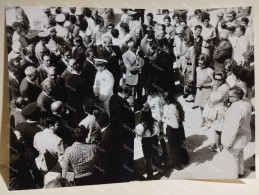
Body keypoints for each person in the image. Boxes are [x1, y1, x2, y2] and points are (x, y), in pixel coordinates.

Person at [221, 86, 252, 178]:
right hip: (245, 137)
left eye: (230, 96)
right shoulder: (247, 104)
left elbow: (233, 128)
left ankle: (232, 178)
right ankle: (240, 172)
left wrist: (229, 143)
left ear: (236, 98)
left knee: (231, 159)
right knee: (240, 154)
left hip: (235, 139)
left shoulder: (235, 109)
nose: (228, 97)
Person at [202, 71, 230, 151]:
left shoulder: (225, 87)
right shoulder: (218, 85)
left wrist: (210, 97)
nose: (217, 81)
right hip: (216, 109)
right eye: (215, 79)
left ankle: (217, 147)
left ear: (223, 79)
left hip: (220, 111)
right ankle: (218, 143)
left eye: (219, 79)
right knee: (217, 128)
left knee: (217, 129)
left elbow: (216, 99)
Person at [95, 112, 125, 183]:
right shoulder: (112, 127)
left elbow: (103, 155)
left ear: (99, 124)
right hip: (118, 158)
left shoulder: (105, 138)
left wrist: (97, 146)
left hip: (110, 164)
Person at [162, 92, 189, 169]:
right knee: (180, 145)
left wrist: (165, 120)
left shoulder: (171, 109)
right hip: (179, 129)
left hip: (173, 131)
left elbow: (175, 125)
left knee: (174, 148)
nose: (162, 101)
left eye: (163, 100)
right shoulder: (175, 104)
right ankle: (185, 160)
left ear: (167, 101)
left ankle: (177, 165)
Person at [134, 105, 159, 180]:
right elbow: (158, 131)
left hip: (146, 143)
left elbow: (138, 134)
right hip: (154, 140)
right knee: (154, 154)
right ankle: (155, 167)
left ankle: (150, 176)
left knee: (148, 160)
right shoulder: (155, 122)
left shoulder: (140, 126)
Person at [192, 54, 214, 126]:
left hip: (207, 91)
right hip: (200, 90)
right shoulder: (197, 69)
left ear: (206, 63)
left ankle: (208, 122)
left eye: (201, 63)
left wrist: (205, 85)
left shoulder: (210, 71)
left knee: (207, 107)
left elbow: (214, 83)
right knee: (201, 106)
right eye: (198, 63)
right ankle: (202, 120)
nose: (199, 65)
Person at [122, 39, 144, 111]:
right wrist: (139, 65)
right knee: (132, 96)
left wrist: (138, 56)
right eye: (132, 47)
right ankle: (132, 111)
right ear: (129, 47)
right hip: (131, 79)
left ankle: (141, 108)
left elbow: (143, 62)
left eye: (134, 46)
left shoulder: (139, 53)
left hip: (140, 77)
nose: (134, 48)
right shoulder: (125, 55)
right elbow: (130, 68)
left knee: (140, 94)